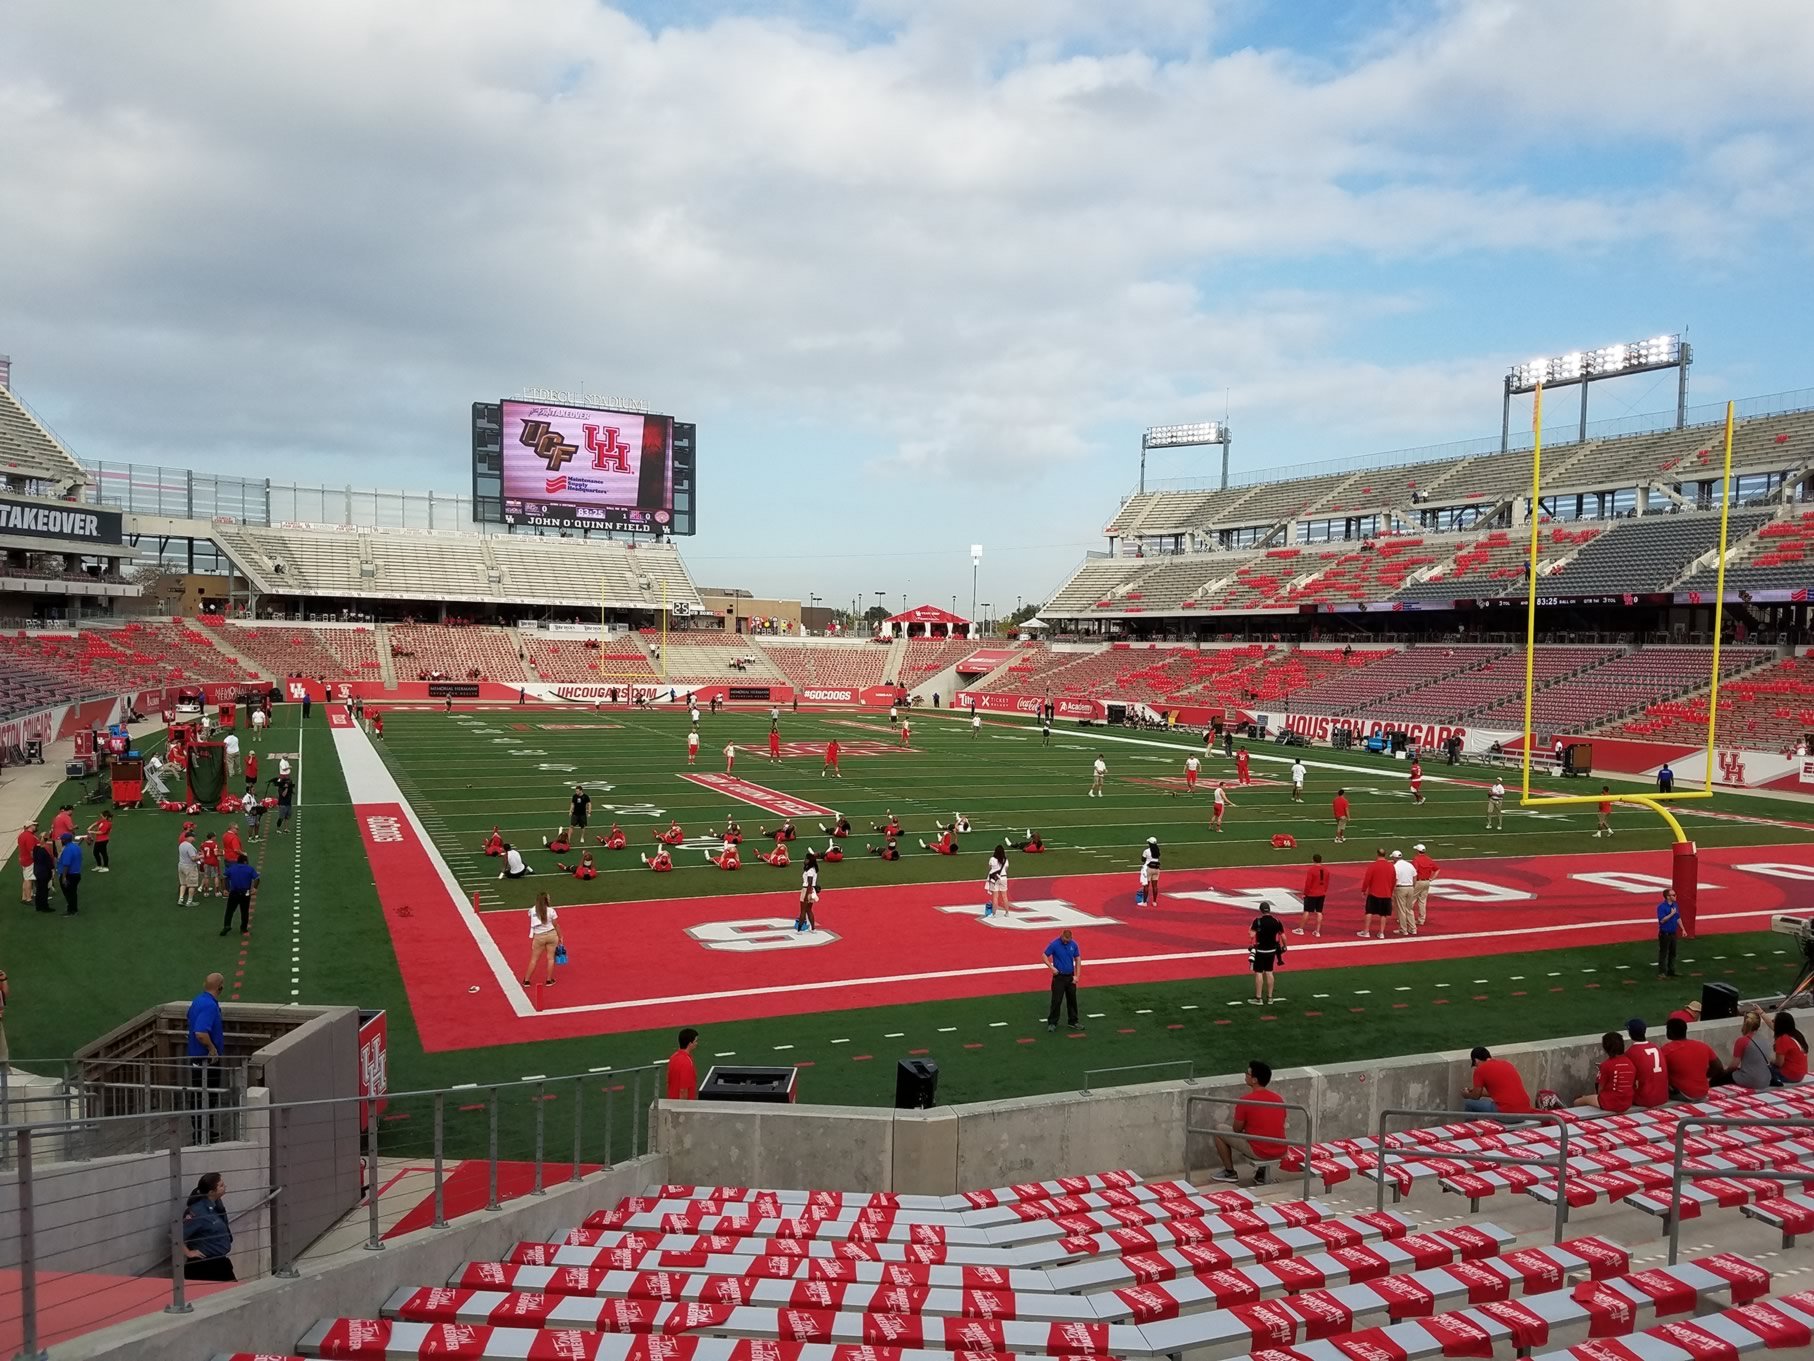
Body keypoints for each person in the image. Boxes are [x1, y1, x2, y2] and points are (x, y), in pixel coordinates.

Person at [1210, 1060, 1288, 1184]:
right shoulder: (1278, 1099)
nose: (1245, 1075)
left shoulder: (1246, 1100)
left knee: (1219, 1129)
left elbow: (1236, 1129)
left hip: (1260, 1151)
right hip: (1281, 1149)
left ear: (1254, 1080)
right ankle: (1261, 1174)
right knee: (1261, 1133)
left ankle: (1229, 1172)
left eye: (1247, 1073)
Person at [187, 973, 226, 1140]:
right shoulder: (210, 1006)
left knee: (201, 1094)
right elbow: (201, 1033)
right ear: (220, 988)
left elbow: (189, 1018)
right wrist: (212, 1049)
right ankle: (202, 1134)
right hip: (205, 1060)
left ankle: (205, 1131)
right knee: (206, 1096)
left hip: (196, 1058)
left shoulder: (198, 1001)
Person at [181, 1173, 236, 1281]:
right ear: (211, 1192)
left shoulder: (217, 1204)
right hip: (204, 1266)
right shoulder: (197, 1212)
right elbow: (176, 1236)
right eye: (221, 1185)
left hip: (219, 1262)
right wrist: (188, 1253)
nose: (225, 1187)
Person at [1663, 1016, 1720, 1100]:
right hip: (1703, 1092)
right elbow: (1718, 1067)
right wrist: (1703, 1076)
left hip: (1682, 1094)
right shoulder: (1702, 1046)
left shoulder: (1667, 1049)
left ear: (1670, 1031)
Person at [1575, 1032, 1636, 1111]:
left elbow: (1600, 1090)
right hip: (1627, 1103)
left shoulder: (1606, 1065)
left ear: (1605, 1048)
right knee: (1588, 1098)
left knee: (1577, 1101)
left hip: (1609, 1103)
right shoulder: (1630, 1063)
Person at [1463, 1046, 1532, 1114]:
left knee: (1469, 1103)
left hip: (1508, 1113)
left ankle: (1472, 1125)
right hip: (1525, 1111)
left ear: (1476, 1060)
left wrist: (1466, 1095)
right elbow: (1497, 1092)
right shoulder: (1506, 1064)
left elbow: (1475, 1096)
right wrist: (1474, 1091)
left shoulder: (1479, 1070)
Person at [1043, 929, 1082, 1033]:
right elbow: (1044, 955)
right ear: (1062, 936)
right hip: (1059, 977)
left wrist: (1077, 976)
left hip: (1070, 977)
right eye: (1065, 939)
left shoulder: (1073, 945)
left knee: (1072, 1000)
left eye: (1068, 940)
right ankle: (1052, 1022)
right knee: (1056, 1000)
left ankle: (1073, 1021)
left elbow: (1078, 959)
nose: (1066, 941)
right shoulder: (1055, 944)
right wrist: (1051, 968)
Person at [1626, 1020, 1669, 1108]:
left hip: (1644, 1099)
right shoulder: (1655, 1047)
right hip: (1663, 1096)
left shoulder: (1631, 1052)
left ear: (1629, 1033)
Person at [1727, 1008, 1773, 1090]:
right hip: (1766, 1079)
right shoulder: (1764, 1039)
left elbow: (1734, 1065)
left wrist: (1724, 1071)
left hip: (1750, 1080)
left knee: (1721, 1078)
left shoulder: (1742, 1040)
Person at [1249, 903, 1285, 1005]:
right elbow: (1283, 936)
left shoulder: (1258, 921)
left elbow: (1251, 935)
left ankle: (1258, 998)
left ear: (1261, 910)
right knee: (1269, 972)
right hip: (1271, 951)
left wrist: (1251, 928)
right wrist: (1284, 946)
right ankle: (1270, 997)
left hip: (1260, 950)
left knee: (1259, 972)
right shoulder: (1276, 921)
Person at [523, 894, 562, 988]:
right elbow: (556, 925)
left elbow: (530, 915)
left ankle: (527, 980)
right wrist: (560, 936)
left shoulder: (533, 910)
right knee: (550, 958)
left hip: (539, 936)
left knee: (534, 959)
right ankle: (549, 980)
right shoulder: (551, 911)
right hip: (552, 935)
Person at [1358, 848, 1394, 939]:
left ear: (1377, 854)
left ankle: (1366, 931)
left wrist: (1363, 890)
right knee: (1383, 914)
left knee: (1369, 911)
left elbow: (1367, 879)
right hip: (1386, 893)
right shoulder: (1391, 866)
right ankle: (1381, 932)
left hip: (1374, 892)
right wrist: (1391, 891)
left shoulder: (1373, 865)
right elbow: (1394, 880)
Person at [221, 853, 258, 938]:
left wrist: (225, 889)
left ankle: (227, 926)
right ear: (245, 861)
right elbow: (257, 878)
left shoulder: (232, 868)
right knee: (244, 911)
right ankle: (243, 928)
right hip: (246, 892)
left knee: (229, 910)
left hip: (234, 892)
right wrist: (255, 888)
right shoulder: (249, 868)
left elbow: (223, 877)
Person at [1772, 1012, 1808, 1085]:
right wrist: (1761, 1013)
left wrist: (1771, 1061)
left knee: (1762, 1068)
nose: (1772, 1021)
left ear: (1779, 1025)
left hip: (1790, 1075)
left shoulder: (1782, 1039)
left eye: (1774, 1021)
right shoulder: (1797, 1035)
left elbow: (1779, 1063)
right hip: (1800, 1074)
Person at [1411, 843, 1439, 931]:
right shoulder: (1429, 859)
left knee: (1411, 901)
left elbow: (1414, 871)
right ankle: (1421, 919)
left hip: (1419, 881)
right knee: (1422, 901)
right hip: (1427, 881)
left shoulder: (1416, 859)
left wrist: (1413, 883)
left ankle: (1407, 918)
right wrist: (1431, 879)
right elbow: (1437, 869)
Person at [1298, 854, 1327, 938]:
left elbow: (1308, 883)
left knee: (1307, 911)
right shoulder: (1326, 870)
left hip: (1311, 893)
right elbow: (1326, 883)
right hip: (1321, 893)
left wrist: (1305, 893)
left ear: (1313, 860)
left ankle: (1301, 929)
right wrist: (1324, 891)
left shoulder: (1311, 870)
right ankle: (1317, 931)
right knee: (1319, 912)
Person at [666, 1028, 700, 1099]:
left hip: (672, 1100)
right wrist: (683, 1108)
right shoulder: (686, 1062)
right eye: (695, 1041)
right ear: (690, 1044)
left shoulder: (673, 1057)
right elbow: (683, 1090)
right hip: (681, 1105)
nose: (697, 1043)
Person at [1655, 887, 1681, 978]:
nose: (1675, 896)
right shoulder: (1661, 907)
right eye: (1673, 895)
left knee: (1673, 953)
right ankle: (1662, 972)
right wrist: (1671, 914)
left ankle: (1671, 970)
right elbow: (1662, 920)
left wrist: (1683, 929)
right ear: (1668, 897)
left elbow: (1678, 917)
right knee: (1663, 953)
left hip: (1673, 933)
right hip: (1665, 934)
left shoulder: (1675, 905)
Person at [1390, 849, 1417, 936]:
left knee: (1401, 910)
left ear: (1394, 858)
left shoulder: (1395, 867)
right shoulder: (1409, 865)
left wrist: (1392, 890)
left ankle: (1403, 929)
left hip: (1401, 888)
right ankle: (1413, 928)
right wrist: (1413, 886)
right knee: (1409, 909)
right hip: (1410, 887)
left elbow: (1395, 879)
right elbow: (1415, 876)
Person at [56, 833, 82, 915]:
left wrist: (64, 877)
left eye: (61, 840)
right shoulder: (76, 847)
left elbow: (66, 864)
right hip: (76, 873)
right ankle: (73, 909)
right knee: (73, 892)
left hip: (69, 875)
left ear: (64, 840)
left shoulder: (67, 850)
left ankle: (72, 910)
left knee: (69, 893)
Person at [796, 850, 820, 931]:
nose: (804, 860)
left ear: (809, 861)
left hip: (807, 890)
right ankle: (813, 929)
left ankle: (799, 929)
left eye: (806, 859)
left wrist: (806, 895)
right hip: (812, 890)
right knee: (809, 910)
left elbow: (809, 883)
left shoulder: (810, 871)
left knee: (803, 911)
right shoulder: (813, 869)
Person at [984, 844, 1009, 919]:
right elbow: (1006, 868)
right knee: (1004, 896)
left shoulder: (992, 859)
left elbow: (990, 867)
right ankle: (1007, 912)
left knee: (995, 897)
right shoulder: (1005, 860)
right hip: (1003, 878)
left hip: (994, 879)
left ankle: (994, 914)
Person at [30, 838, 54, 912]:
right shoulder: (43, 851)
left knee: (39, 890)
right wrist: (52, 870)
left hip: (37, 871)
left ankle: (38, 906)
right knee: (44, 890)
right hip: (44, 873)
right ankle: (45, 907)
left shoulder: (35, 850)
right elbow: (49, 862)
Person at [16, 822, 36, 903]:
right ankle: (28, 898)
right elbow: (31, 851)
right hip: (29, 860)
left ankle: (24, 897)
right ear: (30, 826)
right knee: (29, 879)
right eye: (34, 825)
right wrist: (36, 858)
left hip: (23, 859)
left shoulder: (22, 835)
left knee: (26, 878)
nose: (36, 827)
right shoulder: (29, 837)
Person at [1138, 837, 1161, 906]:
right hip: (1156, 869)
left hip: (1148, 868)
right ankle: (1154, 902)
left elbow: (1143, 859)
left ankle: (1144, 902)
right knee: (1155, 886)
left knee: (1146, 886)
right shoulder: (1157, 851)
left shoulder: (1147, 851)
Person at [200, 831, 223, 898]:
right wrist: (222, 853)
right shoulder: (214, 844)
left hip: (206, 862)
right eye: (215, 836)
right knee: (215, 876)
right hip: (214, 862)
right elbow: (216, 854)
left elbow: (202, 852)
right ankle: (217, 892)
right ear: (212, 837)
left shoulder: (203, 844)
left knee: (206, 877)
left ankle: (206, 892)